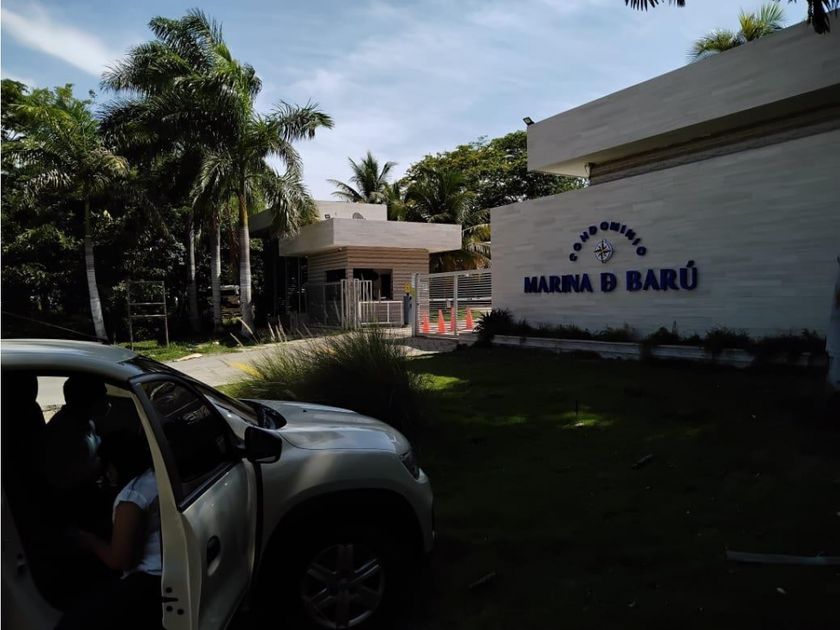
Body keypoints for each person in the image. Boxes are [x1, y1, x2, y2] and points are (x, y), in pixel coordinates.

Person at [56, 431, 162, 630]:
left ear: (114, 464)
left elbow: (120, 561)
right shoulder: (153, 477)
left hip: (149, 580)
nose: (98, 464)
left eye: (101, 459)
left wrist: (89, 540)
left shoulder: (132, 499)